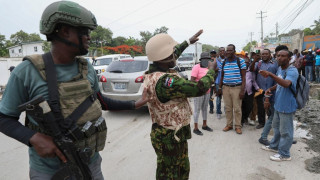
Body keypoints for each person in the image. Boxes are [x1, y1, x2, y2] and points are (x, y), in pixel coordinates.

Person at [0, 1, 148, 179]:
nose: (89, 37)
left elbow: (100, 101)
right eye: (85, 32)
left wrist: (134, 104)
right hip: (48, 172)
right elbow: (4, 118)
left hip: (90, 165)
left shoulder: (87, 68)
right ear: (65, 31)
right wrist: (33, 138)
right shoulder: (26, 71)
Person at [144, 30, 215, 179]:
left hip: (170, 133)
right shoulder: (166, 82)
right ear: (166, 58)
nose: (175, 56)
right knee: (170, 174)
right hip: (169, 137)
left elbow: (170, 54)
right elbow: (198, 88)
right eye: (171, 54)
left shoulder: (156, 69)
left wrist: (188, 42)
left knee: (181, 168)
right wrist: (211, 72)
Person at [260, 49, 298, 161]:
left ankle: (285, 154)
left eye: (282, 56)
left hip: (287, 105)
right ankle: (274, 146)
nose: (279, 58)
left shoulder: (292, 71)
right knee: (276, 128)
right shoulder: (281, 69)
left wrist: (270, 74)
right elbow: (279, 83)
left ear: (289, 58)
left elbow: (286, 84)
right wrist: (270, 88)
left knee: (286, 131)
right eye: (278, 56)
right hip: (278, 104)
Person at [218, 44, 246, 134]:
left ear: (234, 51)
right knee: (228, 108)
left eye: (230, 50)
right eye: (227, 50)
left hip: (237, 88)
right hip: (226, 88)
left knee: (237, 109)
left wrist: (242, 90)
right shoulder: (224, 61)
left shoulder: (240, 61)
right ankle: (229, 125)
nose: (228, 52)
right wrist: (219, 87)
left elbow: (244, 77)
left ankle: (238, 126)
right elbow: (222, 75)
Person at [250, 49, 278, 130]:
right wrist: (254, 60)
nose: (264, 55)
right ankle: (261, 123)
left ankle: (271, 122)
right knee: (260, 107)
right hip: (260, 89)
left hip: (271, 89)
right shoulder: (258, 64)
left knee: (271, 106)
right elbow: (252, 70)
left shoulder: (274, 64)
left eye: (266, 54)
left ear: (270, 55)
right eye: (263, 54)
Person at [191, 52, 214, 135]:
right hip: (198, 92)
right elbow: (192, 80)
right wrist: (198, 87)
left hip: (207, 92)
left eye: (208, 59)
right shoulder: (196, 67)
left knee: (205, 109)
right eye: (205, 59)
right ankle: (195, 128)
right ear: (201, 60)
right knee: (197, 109)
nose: (206, 61)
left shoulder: (209, 68)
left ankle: (204, 125)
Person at [241, 58, 260, 126]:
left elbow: (253, 81)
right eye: (245, 62)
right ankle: (242, 120)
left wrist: (258, 88)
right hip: (241, 92)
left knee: (249, 106)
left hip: (249, 92)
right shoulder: (239, 70)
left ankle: (245, 117)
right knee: (242, 106)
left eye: (247, 62)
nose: (246, 63)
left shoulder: (251, 72)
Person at [213, 47, 225, 119]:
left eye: (223, 51)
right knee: (218, 97)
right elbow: (212, 69)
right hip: (218, 81)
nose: (222, 52)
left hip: (226, 81)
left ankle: (226, 111)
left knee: (227, 98)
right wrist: (216, 69)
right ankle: (218, 112)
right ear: (219, 52)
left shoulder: (227, 60)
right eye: (221, 51)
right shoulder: (216, 60)